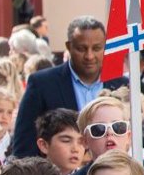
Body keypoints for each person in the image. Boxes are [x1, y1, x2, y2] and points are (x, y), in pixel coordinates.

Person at [9, 16, 116, 157]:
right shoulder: (42, 84)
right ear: (69, 47)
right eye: (81, 48)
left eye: (96, 48)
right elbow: (24, 146)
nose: (89, 56)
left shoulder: (120, 84)